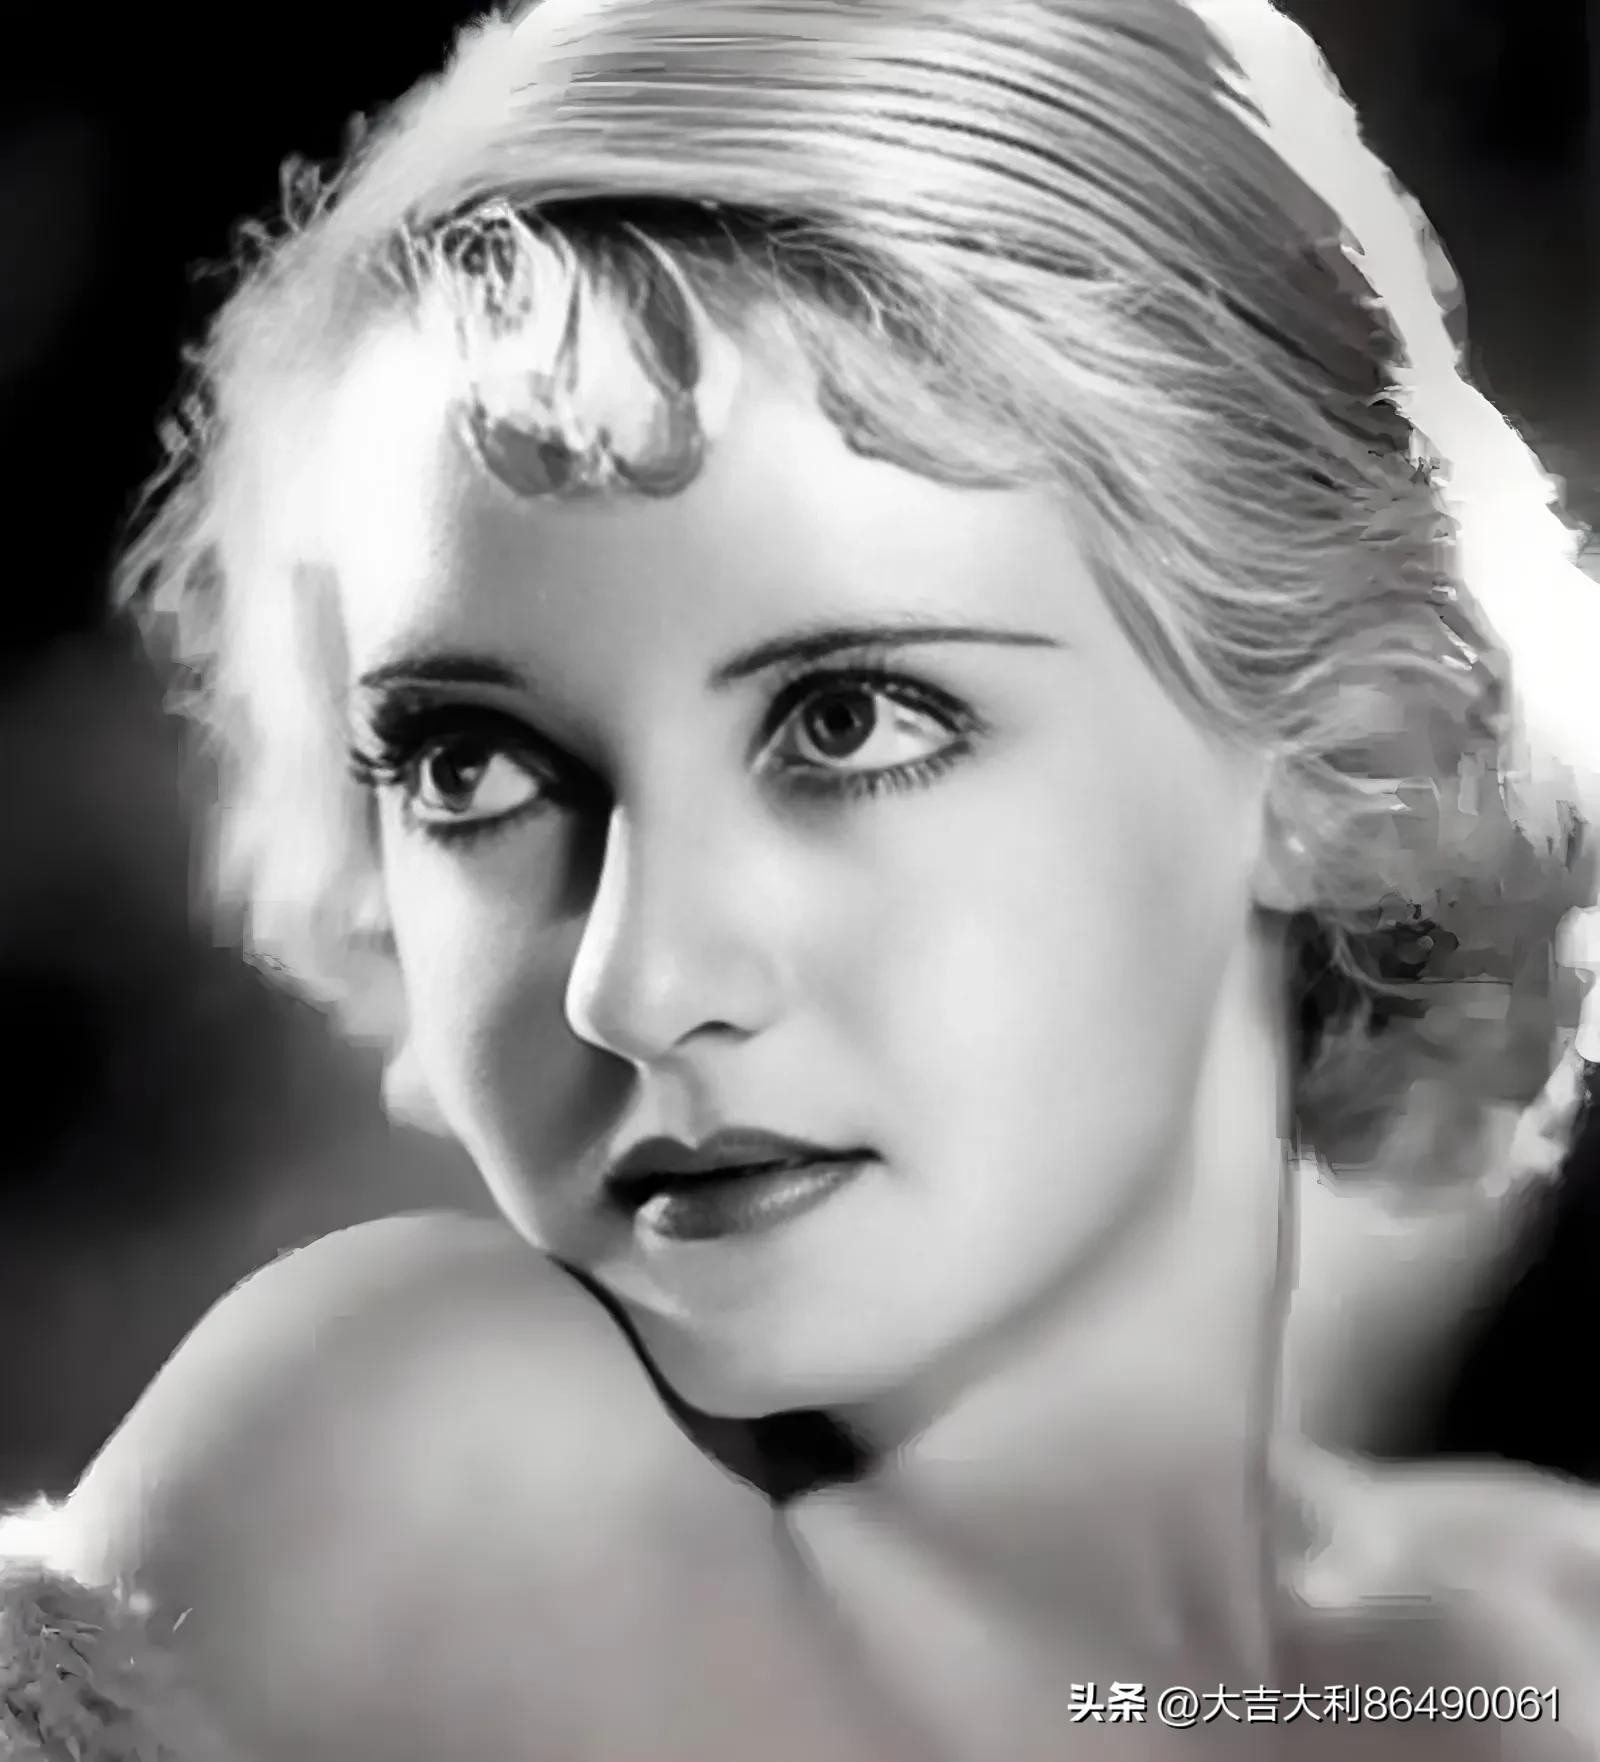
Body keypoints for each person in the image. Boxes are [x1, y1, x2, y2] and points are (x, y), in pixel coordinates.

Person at [4, 1, 1600, 1757]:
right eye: (470, 763)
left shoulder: (1538, 1631)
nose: (635, 979)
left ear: (1338, 754)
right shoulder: (432, 1481)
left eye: (847, 720)